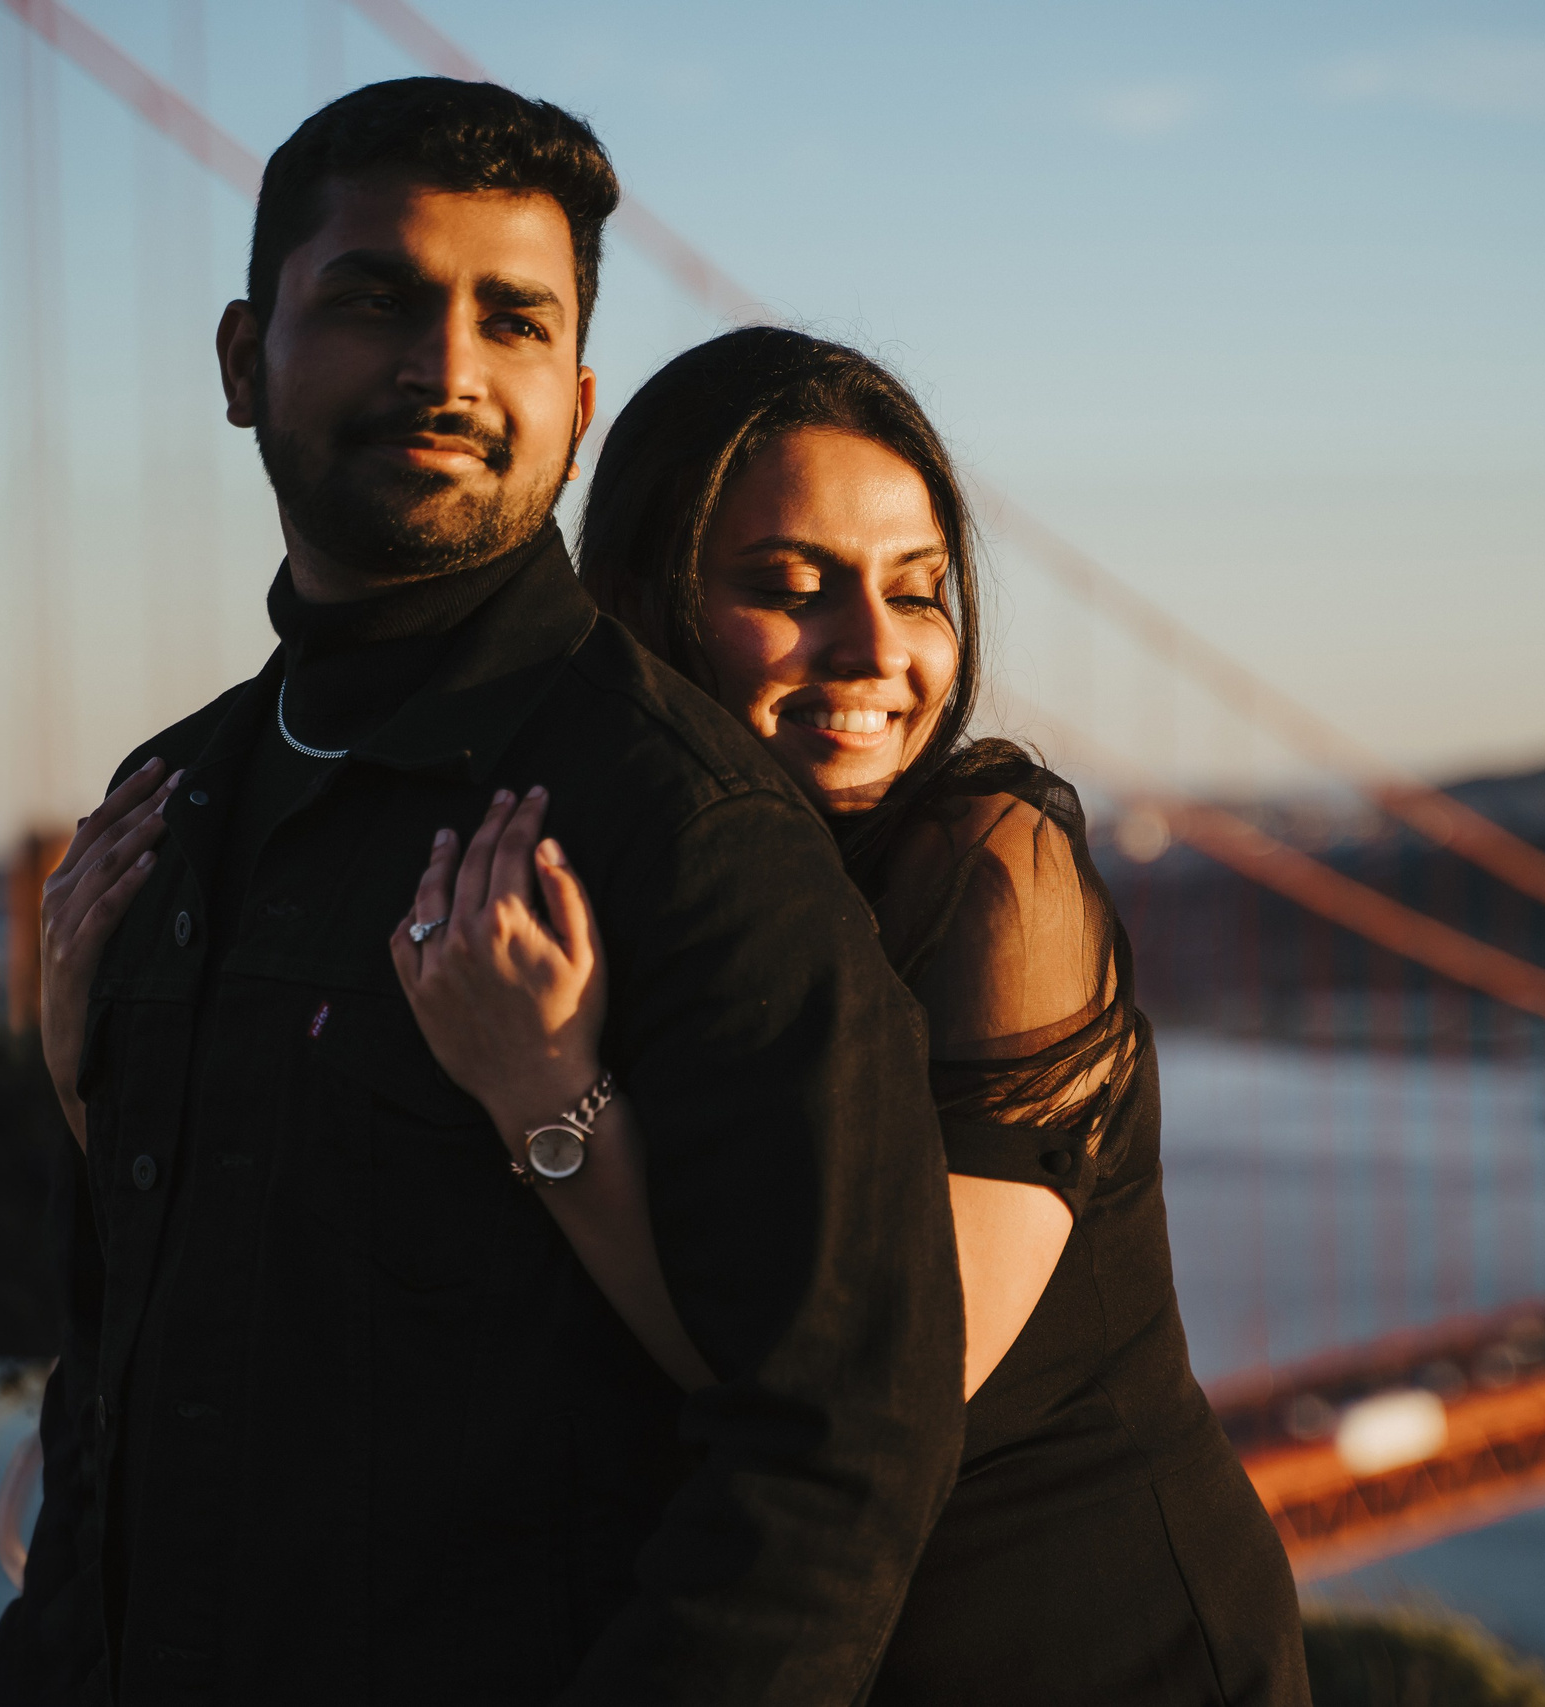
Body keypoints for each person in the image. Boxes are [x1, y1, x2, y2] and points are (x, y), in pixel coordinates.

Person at [0, 83, 967, 1705]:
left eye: (512, 322)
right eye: (378, 299)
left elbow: (833, 1455)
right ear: (243, 361)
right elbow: (118, 1389)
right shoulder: (168, 807)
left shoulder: (685, 830)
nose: (446, 370)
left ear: (576, 405)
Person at [397, 327, 1311, 1704]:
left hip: (1096, 1652)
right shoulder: (598, 890)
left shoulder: (996, 869)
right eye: (793, 588)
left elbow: (872, 1389)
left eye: (920, 591)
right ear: (642, 604)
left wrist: (546, 1105)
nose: (878, 651)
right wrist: (82, 1066)